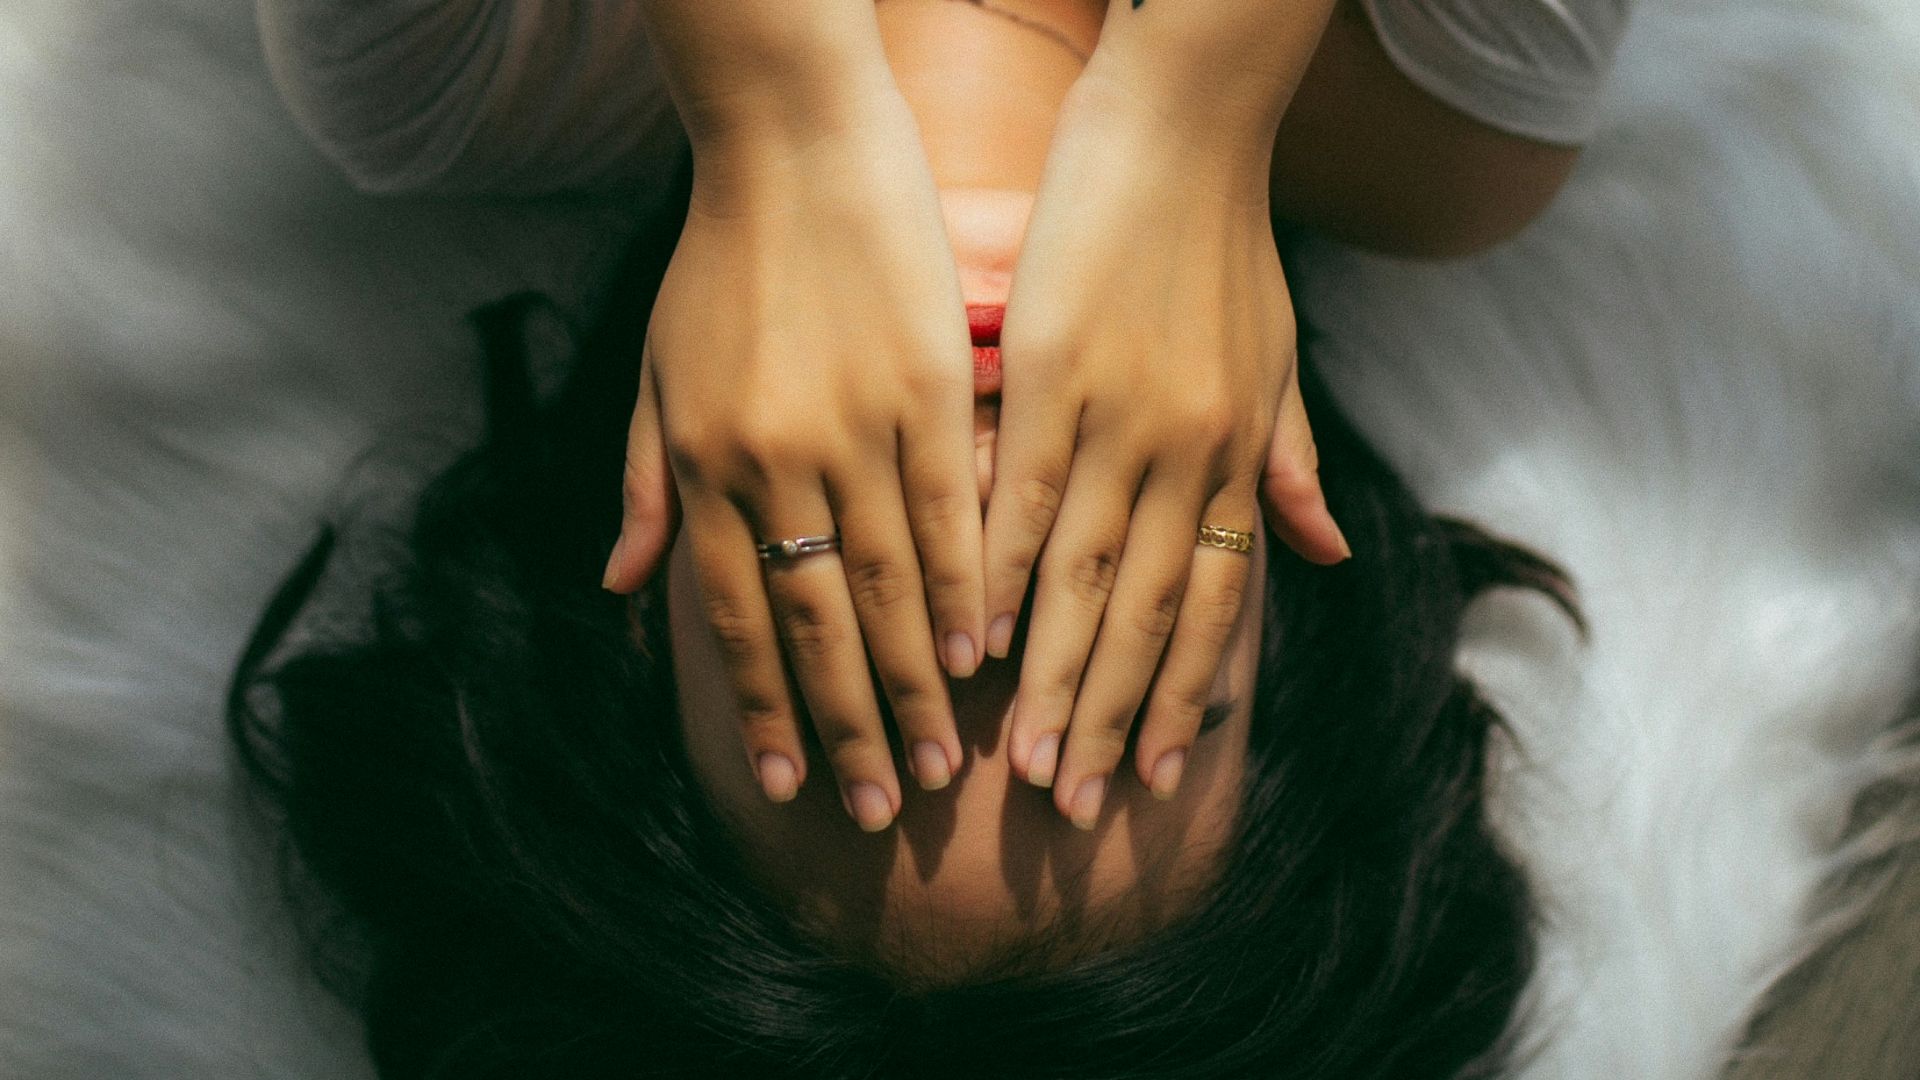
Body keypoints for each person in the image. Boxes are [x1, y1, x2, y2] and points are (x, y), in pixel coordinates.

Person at [231, 4, 1582, 1075]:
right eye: (1104, 622)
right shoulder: (1466, 112)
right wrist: (1198, 106)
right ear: (1284, 551)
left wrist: (775, 98)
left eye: (869, 668)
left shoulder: (445, 51)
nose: (978, 531)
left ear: (643, 593)